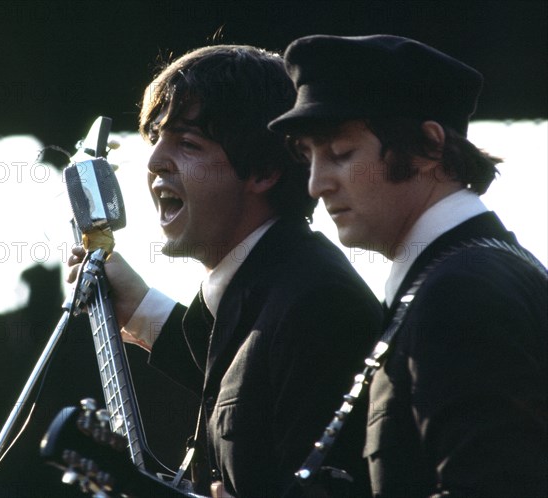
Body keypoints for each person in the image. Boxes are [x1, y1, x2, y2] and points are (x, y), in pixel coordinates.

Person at [69, 44, 382, 497]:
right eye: (154, 137)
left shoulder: (317, 305)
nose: (155, 160)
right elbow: (246, 381)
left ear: (262, 170)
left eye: (188, 143)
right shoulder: (273, 289)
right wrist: (137, 307)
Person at [269, 34, 547, 498]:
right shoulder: (474, 272)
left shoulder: (459, 294)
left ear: (428, 146)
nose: (316, 184)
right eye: (308, 156)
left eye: (339, 153)